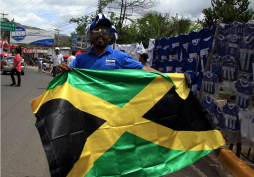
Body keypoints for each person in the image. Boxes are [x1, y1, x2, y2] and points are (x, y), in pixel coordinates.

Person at [56, 13, 160, 74]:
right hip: (85, 108)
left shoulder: (121, 57)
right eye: (96, 31)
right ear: (91, 36)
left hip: (112, 110)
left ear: (109, 37)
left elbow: (144, 69)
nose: (100, 34)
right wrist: (60, 68)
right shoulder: (80, 59)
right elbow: (64, 72)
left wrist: (168, 78)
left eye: (104, 31)